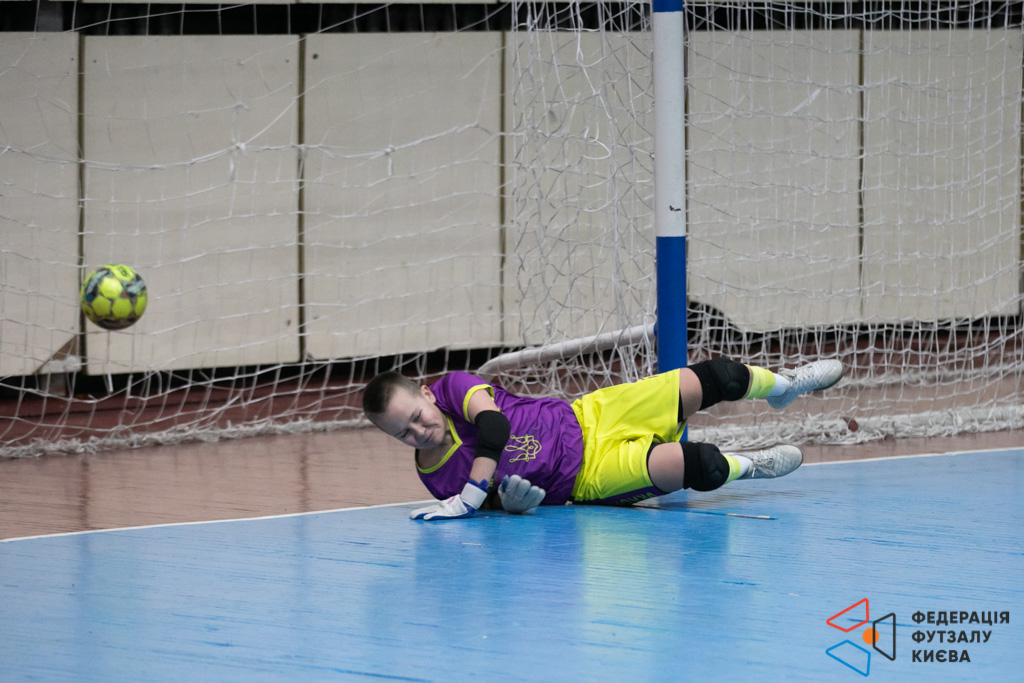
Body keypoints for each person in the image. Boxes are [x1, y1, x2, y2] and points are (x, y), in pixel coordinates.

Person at [361, 358, 844, 521]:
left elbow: (494, 429)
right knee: (703, 465)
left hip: (593, 415)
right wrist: (509, 506)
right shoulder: (434, 475)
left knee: (719, 377)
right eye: (403, 433)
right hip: (587, 478)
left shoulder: (453, 387)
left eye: (417, 416)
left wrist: (470, 498)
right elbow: (493, 506)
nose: (418, 432)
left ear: (427, 394)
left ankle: (783, 386)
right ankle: (752, 465)